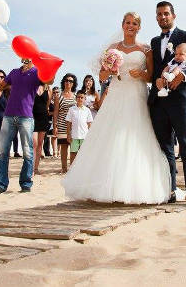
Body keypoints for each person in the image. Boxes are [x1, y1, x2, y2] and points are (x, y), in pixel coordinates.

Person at [62, 11, 171, 204]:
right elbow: (102, 78)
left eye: (135, 23)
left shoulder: (146, 49)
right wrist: (109, 70)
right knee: (109, 135)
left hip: (136, 94)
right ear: (122, 25)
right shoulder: (113, 48)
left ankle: (131, 186)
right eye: (128, 22)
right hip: (116, 93)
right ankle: (102, 185)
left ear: (139, 27)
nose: (131, 26)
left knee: (134, 134)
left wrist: (141, 73)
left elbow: (151, 77)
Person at [149, 1, 186, 207]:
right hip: (158, 101)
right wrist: (155, 79)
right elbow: (155, 68)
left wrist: (182, 74)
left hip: (181, 101)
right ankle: (170, 189)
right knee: (164, 149)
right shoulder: (155, 41)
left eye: (166, 14)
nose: (162, 17)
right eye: (159, 14)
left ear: (173, 15)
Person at [0, 57, 46, 195]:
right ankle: (1, 185)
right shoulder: (14, 72)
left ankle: (26, 183)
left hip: (26, 117)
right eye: (24, 56)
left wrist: (50, 69)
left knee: (27, 152)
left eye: (29, 56)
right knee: (2, 152)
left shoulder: (36, 73)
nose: (26, 59)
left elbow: (48, 81)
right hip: (8, 116)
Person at [54, 73, 78, 174]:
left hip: (74, 125)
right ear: (63, 82)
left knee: (73, 147)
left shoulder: (76, 96)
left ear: (73, 83)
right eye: (66, 80)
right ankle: (64, 168)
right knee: (64, 147)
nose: (68, 82)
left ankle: (73, 168)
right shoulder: (58, 96)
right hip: (62, 124)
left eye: (70, 81)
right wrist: (55, 126)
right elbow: (56, 112)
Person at [66, 90, 93, 165]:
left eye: (82, 97)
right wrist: (68, 134)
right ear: (76, 98)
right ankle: (71, 170)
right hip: (74, 136)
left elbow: (89, 123)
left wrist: (90, 136)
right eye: (78, 97)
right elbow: (68, 123)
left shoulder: (87, 110)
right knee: (73, 154)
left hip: (84, 136)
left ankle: (83, 169)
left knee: (84, 154)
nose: (80, 99)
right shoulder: (71, 109)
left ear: (85, 99)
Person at [32, 82, 51, 174]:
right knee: (34, 143)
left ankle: (36, 168)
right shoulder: (32, 86)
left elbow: (47, 105)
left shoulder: (48, 89)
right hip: (32, 117)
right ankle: (31, 167)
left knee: (40, 143)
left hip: (43, 118)